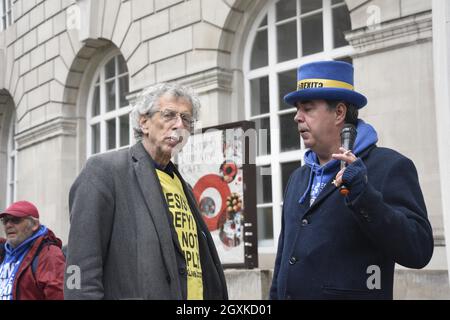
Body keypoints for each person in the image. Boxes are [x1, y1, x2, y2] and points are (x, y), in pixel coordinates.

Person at [270, 61, 434, 300]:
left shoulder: (389, 166)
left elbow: (418, 250)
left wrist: (363, 195)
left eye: (307, 108)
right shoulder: (298, 177)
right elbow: (284, 260)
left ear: (339, 112)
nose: (297, 117)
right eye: (297, 109)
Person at [64, 83, 228, 300]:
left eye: (186, 119)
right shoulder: (105, 172)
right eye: (169, 115)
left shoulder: (185, 187)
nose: (179, 125)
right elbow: (80, 272)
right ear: (144, 122)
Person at [0, 200, 65, 300]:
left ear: (34, 224)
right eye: (5, 221)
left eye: (16, 220)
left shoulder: (49, 254)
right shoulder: (3, 252)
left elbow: (58, 295)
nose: (8, 225)